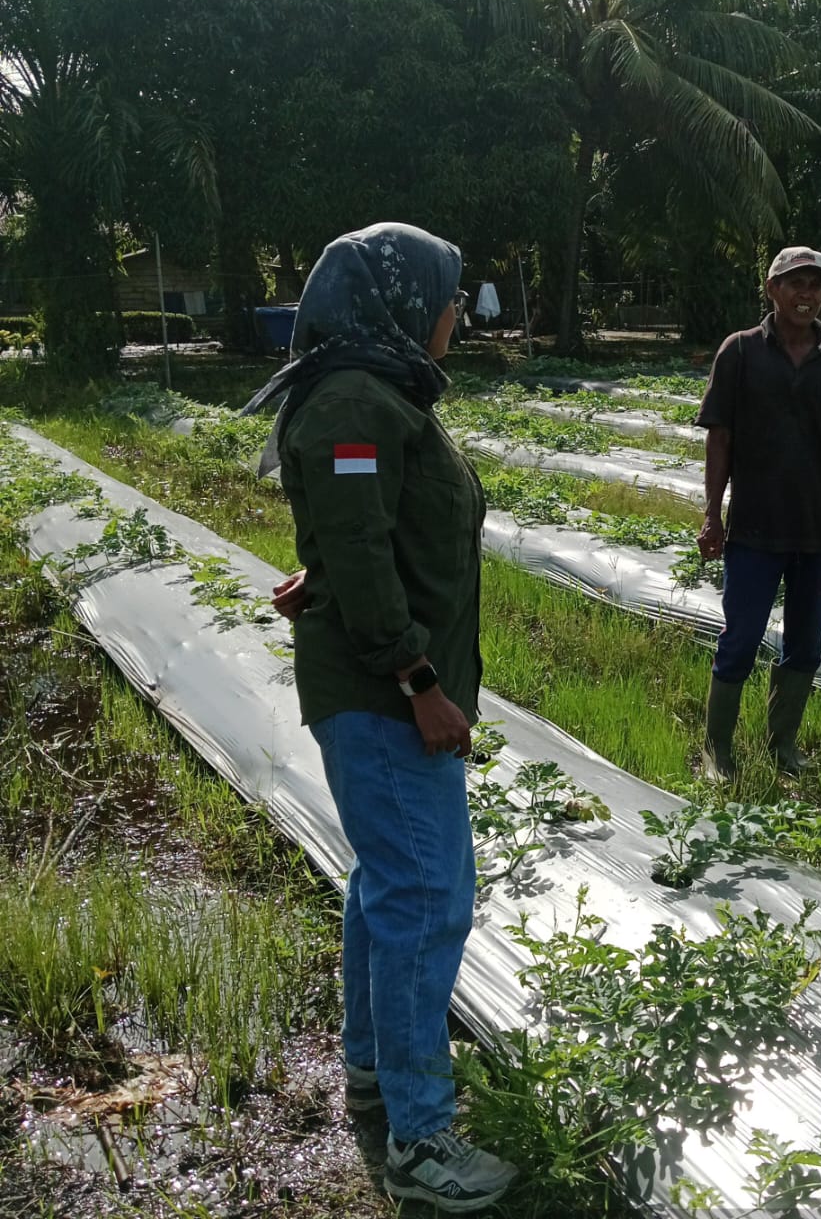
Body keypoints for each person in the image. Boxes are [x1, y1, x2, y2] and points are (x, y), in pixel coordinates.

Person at [243, 222, 517, 1214]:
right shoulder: (359, 396)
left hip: (377, 680)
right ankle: (421, 1141)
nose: (455, 313)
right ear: (402, 301)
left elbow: (359, 532)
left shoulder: (377, 385)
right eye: (447, 295)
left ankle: (374, 1073)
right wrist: (418, 678)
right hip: (383, 692)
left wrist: (327, 572)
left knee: (387, 890)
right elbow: (361, 554)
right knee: (424, 903)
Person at [694, 246, 821, 779]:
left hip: (819, 533)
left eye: (817, 286)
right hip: (754, 527)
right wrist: (712, 513)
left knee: (805, 643)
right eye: (796, 284)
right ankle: (718, 750)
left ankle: (782, 746)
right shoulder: (741, 352)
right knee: (741, 637)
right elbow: (720, 439)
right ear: (772, 290)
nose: (808, 295)